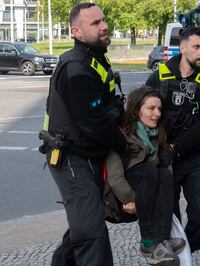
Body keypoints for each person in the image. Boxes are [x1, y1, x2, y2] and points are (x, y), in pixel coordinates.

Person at [39, 3, 127, 265]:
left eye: (103, 20)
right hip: (73, 159)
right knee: (91, 233)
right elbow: (94, 122)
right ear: (77, 32)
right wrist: (125, 147)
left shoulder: (95, 58)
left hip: (87, 155)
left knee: (84, 224)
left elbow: (106, 107)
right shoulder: (76, 67)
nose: (104, 26)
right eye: (95, 23)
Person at [146, 27, 200, 252]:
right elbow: (143, 111)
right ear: (182, 48)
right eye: (196, 47)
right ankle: (174, 255)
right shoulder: (160, 76)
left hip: (193, 158)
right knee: (168, 220)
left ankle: (185, 247)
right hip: (162, 160)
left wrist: (176, 148)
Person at [105, 86, 185, 266]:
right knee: (150, 169)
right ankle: (148, 242)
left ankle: (162, 240)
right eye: (151, 108)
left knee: (164, 173)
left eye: (159, 109)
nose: (157, 113)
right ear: (136, 110)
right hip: (121, 201)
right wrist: (130, 199)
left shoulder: (156, 135)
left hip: (146, 197)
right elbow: (114, 176)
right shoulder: (121, 134)